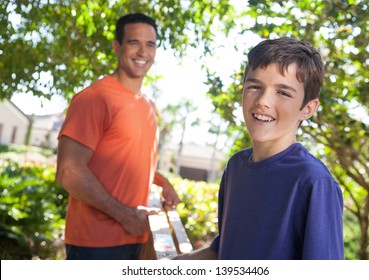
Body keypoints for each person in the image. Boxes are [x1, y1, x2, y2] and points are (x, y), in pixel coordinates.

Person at [174, 37, 344, 260]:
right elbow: (221, 251)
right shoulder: (236, 168)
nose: (263, 100)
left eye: (283, 92)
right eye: (254, 86)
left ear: (308, 109)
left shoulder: (313, 181)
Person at [56, 13, 180, 260]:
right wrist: (125, 216)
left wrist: (160, 181)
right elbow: (68, 171)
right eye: (134, 42)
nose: (143, 52)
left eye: (150, 44)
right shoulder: (94, 98)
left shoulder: (147, 106)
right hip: (95, 244)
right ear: (117, 46)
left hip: (135, 237)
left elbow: (123, 161)